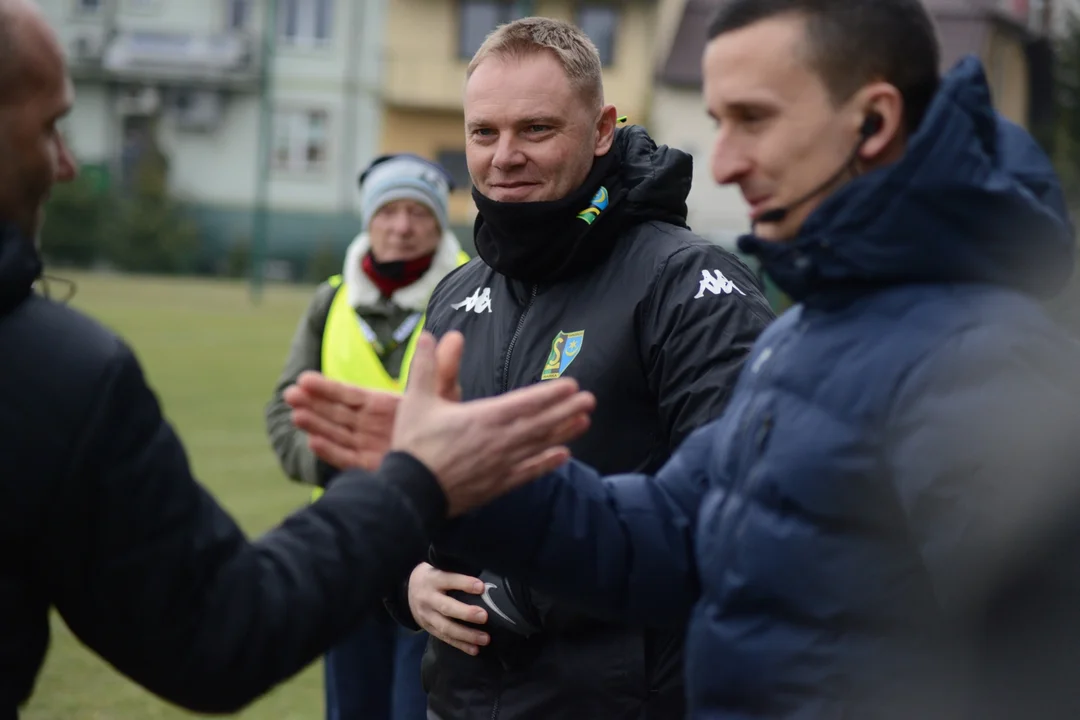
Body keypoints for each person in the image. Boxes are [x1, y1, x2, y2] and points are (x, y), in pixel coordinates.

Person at [289, 1, 1080, 717]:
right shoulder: (811, 336)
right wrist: (469, 484)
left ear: (871, 124)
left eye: (754, 119)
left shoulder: (976, 353)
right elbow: (675, 533)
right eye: (718, 120)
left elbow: (1028, 672)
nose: (725, 161)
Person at [0, 0, 596, 716]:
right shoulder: (55, 373)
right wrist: (407, 483)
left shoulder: (502, 287)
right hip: (387, 549)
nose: (67, 163)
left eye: (535, 129)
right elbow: (218, 632)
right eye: (50, 127)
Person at [304, 16, 775, 720]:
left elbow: (740, 513)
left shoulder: (689, 284)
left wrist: (528, 583)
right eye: (483, 133)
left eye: (536, 130)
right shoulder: (459, 295)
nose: (504, 157)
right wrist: (407, 581)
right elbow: (414, 489)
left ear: (603, 130)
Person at [265, 153, 468, 720]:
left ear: (437, 222)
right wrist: (336, 465)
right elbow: (282, 413)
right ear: (368, 219)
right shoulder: (330, 301)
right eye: (387, 211)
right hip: (346, 542)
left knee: (419, 706)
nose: (401, 226)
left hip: (435, 551)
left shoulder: (472, 295)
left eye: (416, 212)